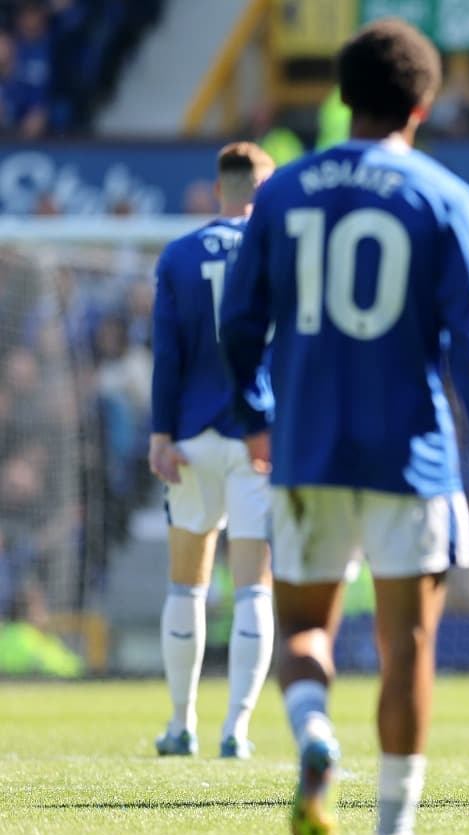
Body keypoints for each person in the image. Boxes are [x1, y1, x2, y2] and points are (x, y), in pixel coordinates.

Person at [219, 19, 469, 835]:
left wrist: (256, 415)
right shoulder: (442, 194)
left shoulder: (281, 194)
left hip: (307, 449)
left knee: (305, 627)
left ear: (342, 96)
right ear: (422, 105)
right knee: (407, 648)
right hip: (411, 457)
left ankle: (315, 736)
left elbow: (239, 326)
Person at [148, 142, 276, 760]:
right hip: (260, 439)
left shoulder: (177, 255)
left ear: (218, 187)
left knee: (187, 585)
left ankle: (181, 725)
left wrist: (159, 433)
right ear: (263, 188)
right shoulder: (280, 251)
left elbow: (167, 354)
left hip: (193, 436)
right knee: (254, 586)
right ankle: (238, 731)